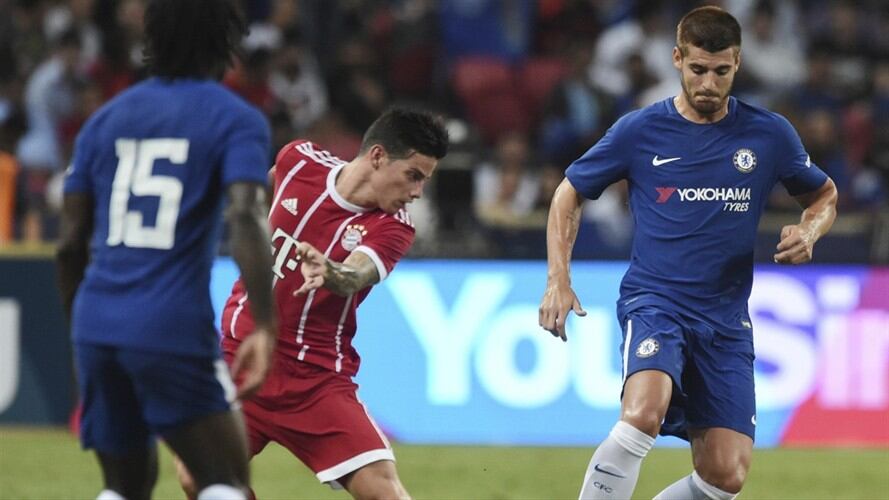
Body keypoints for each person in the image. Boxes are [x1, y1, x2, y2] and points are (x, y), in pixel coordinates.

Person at [538, 6, 837, 500]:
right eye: (698, 69)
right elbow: (568, 192)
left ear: (737, 64)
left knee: (726, 477)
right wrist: (557, 278)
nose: (708, 83)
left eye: (721, 71)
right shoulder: (640, 130)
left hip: (725, 320)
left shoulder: (770, 134)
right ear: (677, 59)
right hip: (657, 302)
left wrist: (809, 230)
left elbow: (823, 195)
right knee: (642, 414)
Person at [55, 1, 278, 498]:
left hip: (96, 322)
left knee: (124, 487)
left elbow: (70, 244)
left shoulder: (102, 122)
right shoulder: (236, 119)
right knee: (226, 480)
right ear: (227, 43)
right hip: (169, 323)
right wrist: (265, 323)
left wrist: (80, 332)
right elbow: (245, 214)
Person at [176, 107, 449, 499]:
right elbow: (252, 202)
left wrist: (332, 272)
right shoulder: (297, 160)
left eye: (424, 180)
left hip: (315, 379)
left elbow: (358, 273)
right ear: (376, 156)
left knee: (385, 494)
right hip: (243, 357)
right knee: (195, 476)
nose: (417, 191)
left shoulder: (394, 226)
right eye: (413, 175)